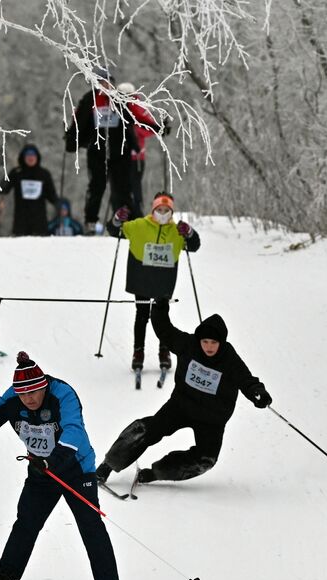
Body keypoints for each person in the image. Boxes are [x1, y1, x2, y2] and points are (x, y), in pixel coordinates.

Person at [0, 353, 121, 580]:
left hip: (75, 467)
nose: (29, 399)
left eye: (34, 392)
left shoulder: (63, 394)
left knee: (90, 524)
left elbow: (74, 431)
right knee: (26, 523)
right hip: (41, 471)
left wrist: (51, 461)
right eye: (23, 394)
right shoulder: (13, 397)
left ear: (44, 385)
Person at [94, 303, 269, 486]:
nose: (209, 347)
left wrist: (258, 393)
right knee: (147, 429)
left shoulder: (229, 358)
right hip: (182, 405)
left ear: (221, 343)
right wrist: (160, 306)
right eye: (205, 342)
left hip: (212, 418)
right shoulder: (188, 345)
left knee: (205, 459)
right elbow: (164, 330)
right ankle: (108, 465)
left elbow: (247, 380)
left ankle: (156, 473)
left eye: (214, 343)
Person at [111, 193, 199, 375]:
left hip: (163, 281)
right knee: (142, 315)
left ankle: (164, 351)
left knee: (162, 317)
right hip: (141, 278)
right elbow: (115, 231)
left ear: (171, 212)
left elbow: (194, 245)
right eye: (159, 209)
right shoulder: (139, 226)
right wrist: (117, 219)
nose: (163, 213)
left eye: (166, 210)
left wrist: (189, 233)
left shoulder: (176, 231)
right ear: (153, 210)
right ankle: (138, 352)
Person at [65, 67, 137, 233]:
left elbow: (134, 119)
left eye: (109, 82)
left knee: (122, 188)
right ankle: (91, 221)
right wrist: (71, 140)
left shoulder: (120, 99)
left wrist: (157, 127)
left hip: (119, 152)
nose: (107, 85)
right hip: (97, 151)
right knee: (97, 187)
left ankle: (127, 221)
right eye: (103, 82)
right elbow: (78, 120)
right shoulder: (90, 99)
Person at [118, 82, 164, 216]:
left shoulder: (137, 107)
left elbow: (149, 128)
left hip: (135, 157)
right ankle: (122, 216)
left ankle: (136, 215)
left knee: (134, 188)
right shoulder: (115, 108)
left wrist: (134, 129)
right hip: (120, 157)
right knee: (121, 190)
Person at [0, 143, 58, 236]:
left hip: (40, 223)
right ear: (23, 157)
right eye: (28, 155)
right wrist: (3, 184)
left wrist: (59, 203)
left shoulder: (44, 174)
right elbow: (3, 189)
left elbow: (52, 196)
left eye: (33, 155)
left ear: (37, 157)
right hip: (21, 223)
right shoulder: (16, 173)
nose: (31, 158)